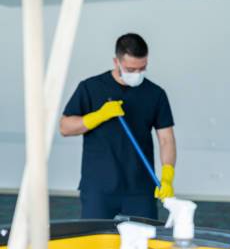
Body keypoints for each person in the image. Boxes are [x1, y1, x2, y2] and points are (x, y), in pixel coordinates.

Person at [60, 33, 176, 220]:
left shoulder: (155, 94)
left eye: (142, 68)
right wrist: (98, 116)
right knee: (95, 244)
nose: (137, 74)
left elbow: (166, 138)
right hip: (99, 188)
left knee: (146, 244)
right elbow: (64, 127)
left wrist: (168, 175)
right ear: (116, 62)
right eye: (131, 69)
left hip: (140, 189)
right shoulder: (90, 87)